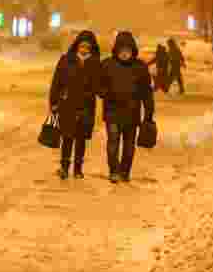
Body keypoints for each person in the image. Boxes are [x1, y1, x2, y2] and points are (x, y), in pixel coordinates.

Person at [99, 31, 154, 183]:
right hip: (112, 113)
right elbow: (98, 86)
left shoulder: (140, 67)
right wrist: (106, 94)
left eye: (127, 50)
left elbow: (147, 92)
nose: (124, 53)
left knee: (129, 148)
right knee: (113, 143)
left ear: (132, 51)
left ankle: (125, 172)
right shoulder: (107, 65)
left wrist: (149, 114)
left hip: (132, 114)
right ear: (116, 50)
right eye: (121, 50)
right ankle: (114, 171)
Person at [49, 30, 101, 179]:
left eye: (87, 47)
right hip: (68, 104)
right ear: (77, 45)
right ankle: (64, 167)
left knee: (81, 139)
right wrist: (54, 101)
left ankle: (78, 169)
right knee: (67, 137)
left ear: (91, 48)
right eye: (82, 46)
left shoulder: (96, 63)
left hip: (87, 105)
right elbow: (56, 82)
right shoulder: (66, 60)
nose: (84, 49)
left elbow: (101, 85)